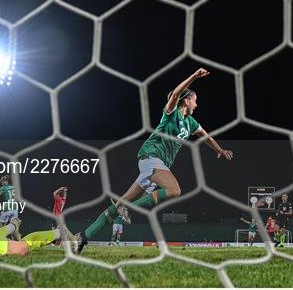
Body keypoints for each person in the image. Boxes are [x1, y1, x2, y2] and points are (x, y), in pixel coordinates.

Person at [74, 68, 233, 254]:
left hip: (159, 165)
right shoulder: (171, 113)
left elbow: (206, 136)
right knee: (174, 190)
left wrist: (219, 150)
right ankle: (128, 207)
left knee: (116, 208)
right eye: (195, 101)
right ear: (187, 100)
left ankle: (83, 236)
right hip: (150, 157)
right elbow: (175, 93)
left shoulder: (190, 122)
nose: (196, 105)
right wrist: (194, 76)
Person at [0, 175, 20, 240]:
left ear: (6, 181)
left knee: (2, 228)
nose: (2, 181)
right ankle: (16, 242)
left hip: (6, 209)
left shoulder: (3, 188)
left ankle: (1, 241)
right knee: (14, 228)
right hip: (15, 208)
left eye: (3, 180)